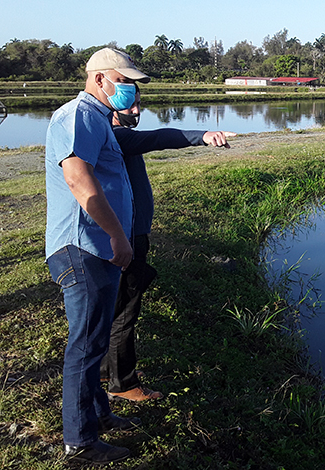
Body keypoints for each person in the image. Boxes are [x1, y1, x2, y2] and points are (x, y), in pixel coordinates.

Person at [44, 47, 149, 465]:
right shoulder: (79, 114)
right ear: (99, 79)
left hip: (97, 248)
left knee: (97, 337)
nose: (129, 89)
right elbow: (77, 177)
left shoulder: (98, 119)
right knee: (85, 347)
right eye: (123, 81)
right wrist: (117, 236)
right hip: (83, 247)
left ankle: (100, 414)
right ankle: (80, 442)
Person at [100, 87, 237, 401]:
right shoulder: (117, 137)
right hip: (127, 237)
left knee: (117, 307)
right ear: (112, 106)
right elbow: (158, 138)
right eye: (130, 106)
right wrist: (201, 135)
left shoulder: (111, 135)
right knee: (124, 312)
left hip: (129, 233)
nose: (137, 111)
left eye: (139, 105)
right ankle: (123, 385)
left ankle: (108, 370)